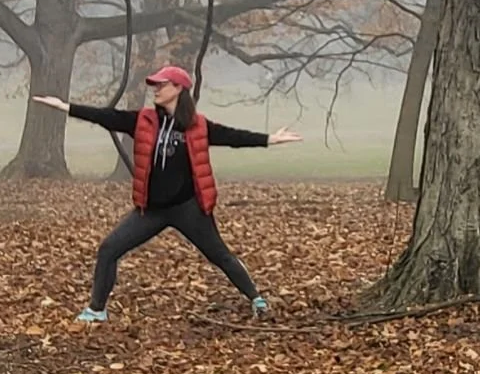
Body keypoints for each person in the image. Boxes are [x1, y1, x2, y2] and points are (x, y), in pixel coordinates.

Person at [31, 65, 303, 322]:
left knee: (219, 255)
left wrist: (270, 139)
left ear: (178, 88)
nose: (156, 89)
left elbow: (235, 137)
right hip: (151, 210)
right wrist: (65, 107)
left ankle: (257, 300)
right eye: (155, 85)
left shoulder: (198, 126)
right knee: (109, 249)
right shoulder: (143, 120)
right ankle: (96, 310)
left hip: (188, 209)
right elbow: (106, 117)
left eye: (162, 84)